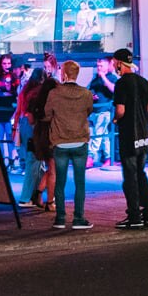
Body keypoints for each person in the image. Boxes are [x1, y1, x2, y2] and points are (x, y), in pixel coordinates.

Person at [44, 59, 94, 229]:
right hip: (80, 141)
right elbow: (88, 111)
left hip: (60, 141)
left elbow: (47, 113)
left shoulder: (54, 94)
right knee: (80, 182)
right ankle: (79, 218)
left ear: (64, 74)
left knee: (60, 181)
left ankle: (60, 218)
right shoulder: (86, 93)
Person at [111, 49, 148, 228]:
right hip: (143, 134)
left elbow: (120, 110)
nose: (114, 66)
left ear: (120, 63)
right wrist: (140, 111)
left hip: (129, 134)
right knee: (141, 173)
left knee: (130, 176)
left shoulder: (121, 83)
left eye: (115, 63)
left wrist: (115, 119)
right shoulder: (144, 81)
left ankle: (134, 215)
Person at [14, 68, 48, 208]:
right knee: (34, 161)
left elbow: (19, 111)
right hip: (34, 125)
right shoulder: (39, 93)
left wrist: (15, 128)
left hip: (24, 125)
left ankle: (35, 195)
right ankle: (26, 197)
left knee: (35, 161)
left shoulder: (25, 91)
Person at [87, 56, 116, 169]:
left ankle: (90, 158)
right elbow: (88, 89)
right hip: (94, 111)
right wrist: (91, 95)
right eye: (98, 65)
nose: (99, 68)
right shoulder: (95, 79)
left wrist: (104, 77)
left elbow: (114, 89)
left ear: (108, 65)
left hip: (105, 111)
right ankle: (109, 158)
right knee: (104, 136)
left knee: (97, 135)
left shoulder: (112, 78)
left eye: (101, 66)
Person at [0, 54, 18, 165]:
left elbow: (16, 93)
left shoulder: (15, 76)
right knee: (0, 137)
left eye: (9, 63)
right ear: (0, 64)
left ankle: (14, 159)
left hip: (11, 109)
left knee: (11, 136)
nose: (7, 65)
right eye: (4, 63)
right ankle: (2, 160)